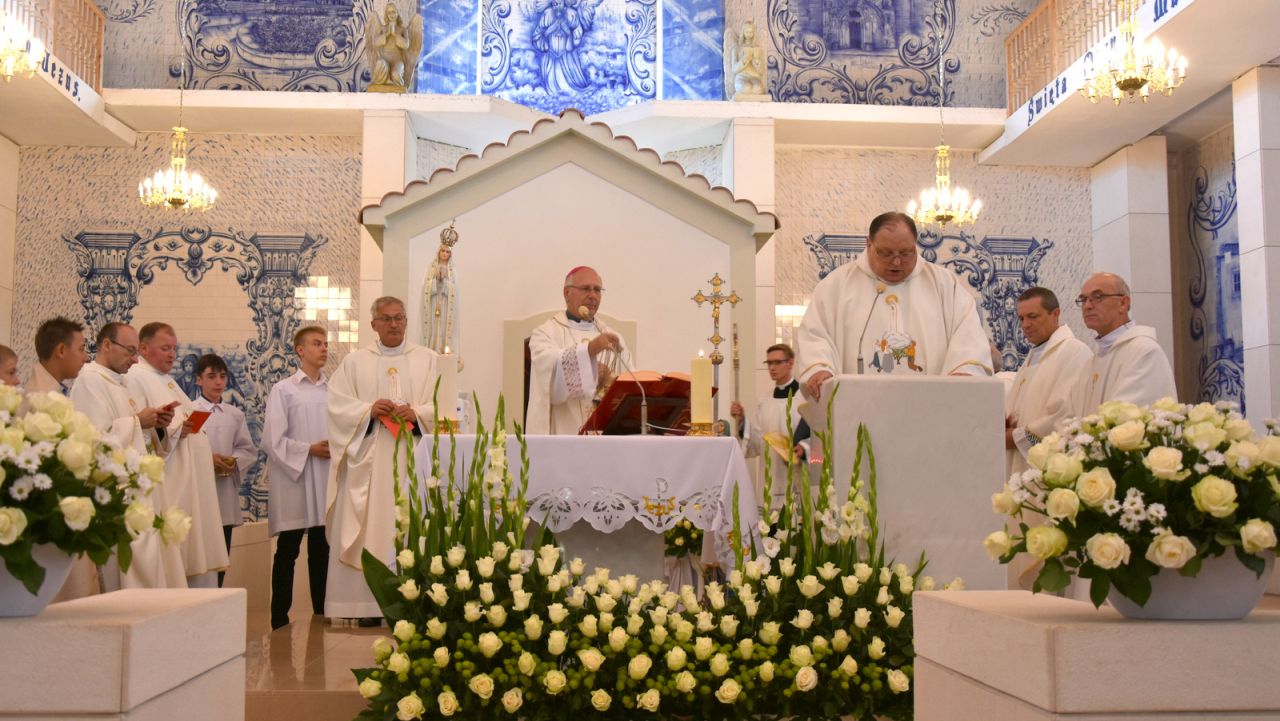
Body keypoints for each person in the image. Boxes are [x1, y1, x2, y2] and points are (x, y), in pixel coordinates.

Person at [796, 211, 992, 401]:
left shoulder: (944, 284)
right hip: (859, 411)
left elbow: (968, 334)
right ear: (868, 244)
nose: (897, 261)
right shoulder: (836, 286)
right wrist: (819, 368)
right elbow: (815, 335)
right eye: (886, 253)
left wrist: (964, 372)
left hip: (930, 410)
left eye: (906, 253)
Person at [326, 297, 439, 621]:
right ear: (373, 324)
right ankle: (363, 607)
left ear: (406, 321)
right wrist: (366, 411)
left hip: (413, 459)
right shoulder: (354, 362)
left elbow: (445, 405)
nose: (394, 325)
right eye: (386, 319)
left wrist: (417, 413)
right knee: (370, 528)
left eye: (399, 318)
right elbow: (336, 407)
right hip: (371, 464)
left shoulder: (428, 360)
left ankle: (414, 603)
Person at [69, 322, 187, 589]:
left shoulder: (120, 383)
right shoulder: (90, 381)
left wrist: (156, 423)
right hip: (114, 495)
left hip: (139, 494)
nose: (135, 360)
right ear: (107, 344)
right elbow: (94, 441)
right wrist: (137, 422)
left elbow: (136, 438)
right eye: (131, 351)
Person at [125, 322, 229, 588]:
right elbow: (136, 428)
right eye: (165, 348)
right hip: (171, 482)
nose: (172, 354)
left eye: (174, 348)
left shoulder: (167, 380)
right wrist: (173, 431)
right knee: (177, 550)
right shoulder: (136, 376)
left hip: (189, 477)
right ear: (144, 348)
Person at [263, 326, 332, 630]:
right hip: (296, 477)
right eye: (317, 344)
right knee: (288, 549)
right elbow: (273, 439)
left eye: (326, 344)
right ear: (300, 350)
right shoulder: (284, 389)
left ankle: (322, 609)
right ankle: (279, 616)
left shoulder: (333, 391)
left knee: (322, 547)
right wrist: (309, 450)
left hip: (325, 475)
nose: (324, 349)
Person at [527, 266, 631, 434]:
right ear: (567, 293)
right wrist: (589, 352)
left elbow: (629, 385)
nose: (592, 295)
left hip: (606, 439)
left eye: (597, 290)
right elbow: (547, 383)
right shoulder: (546, 333)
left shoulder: (612, 336)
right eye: (585, 289)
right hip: (564, 436)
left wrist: (610, 380)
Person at [1004, 287, 1092, 477]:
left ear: (1055, 314)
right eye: (1021, 318)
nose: (1025, 325)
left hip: (1049, 468)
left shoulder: (1074, 352)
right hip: (1018, 461)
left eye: (1033, 316)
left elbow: (1068, 414)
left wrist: (1018, 437)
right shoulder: (1033, 356)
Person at [191, 353, 257, 587]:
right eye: (211, 376)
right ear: (199, 380)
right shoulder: (191, 412)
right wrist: (207, 460)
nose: (218, 382)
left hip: (224, 490)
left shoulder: (234, 414)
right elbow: (183, 449)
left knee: (222, 555)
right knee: (200, 555)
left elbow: (247, 449)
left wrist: (232, 462)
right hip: (199, 493)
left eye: (222, 376)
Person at [1071, 272, 1176, 415]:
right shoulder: (1094, 359)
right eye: (1083, 299)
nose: (1087, 306)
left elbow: (1126, 419)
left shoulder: (1143, 351)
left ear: (1123, 303)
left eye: (1097, 297)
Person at [729, 343, 812, 507]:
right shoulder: (765, 402)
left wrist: (803, 447)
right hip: (771, 476)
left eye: (777, 362)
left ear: (790, 363)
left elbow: (818, 436)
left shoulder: (805, 399)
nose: (772, 368)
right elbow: (756, 444)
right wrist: (742, 420)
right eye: (769, 363)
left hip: (798, 474)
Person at [28, 317, 88, 395]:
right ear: (61, 351)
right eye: (81, 349)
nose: (86, 358)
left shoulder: (50, 390)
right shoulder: (40, 399)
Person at [422, 235, 459, 356]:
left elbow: (454, 290)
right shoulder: (432, 268)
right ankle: (432, 348)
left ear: (450, 255)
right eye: (442, 251)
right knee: (434, 326)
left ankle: (443, 349)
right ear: (439, 252)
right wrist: (436, 281)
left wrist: (444, 282)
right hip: (434, 303)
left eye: (447, 252)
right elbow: (426, 287)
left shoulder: (452, 271)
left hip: (445, 305)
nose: (444, 254)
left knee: (442, 326)